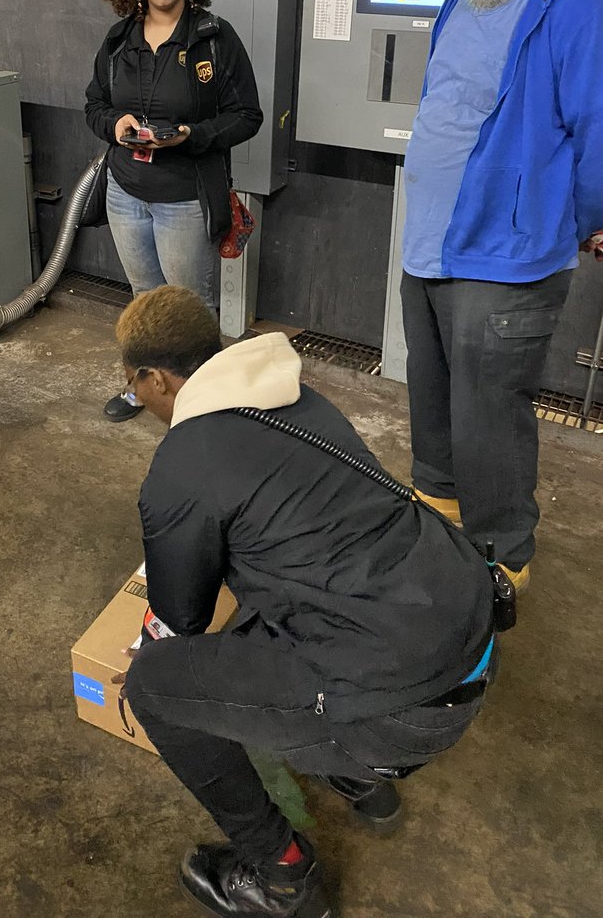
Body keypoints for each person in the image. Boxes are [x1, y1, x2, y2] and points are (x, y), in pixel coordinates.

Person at [116, 285, 495, 918]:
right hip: (468, 640)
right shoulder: (296, 399)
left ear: (155, 378)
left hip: (406, 710)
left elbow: (180, 617)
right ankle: (357, 780)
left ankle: (282, 873)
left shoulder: (181, 467)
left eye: (134, 389)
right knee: (271, 602)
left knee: (155, 686)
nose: (139, 400)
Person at [403, 0, 603, 592]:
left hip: (505, 256)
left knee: (490, 424)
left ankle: (499, 568)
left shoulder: (577, 1)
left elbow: (601, 128)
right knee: (434, 409)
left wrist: (589, 218)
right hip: (429, 245)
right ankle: (437, 536)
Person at [85, 0, 262, 422]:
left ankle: (202, 406)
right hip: (125, 192)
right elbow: (94, 104)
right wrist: (115, 125)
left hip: (185, 196)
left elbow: (247, 115)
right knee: (143, 302)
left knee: (190, 308)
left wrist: (192, 135)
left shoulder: (214, 39)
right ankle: (144, 390)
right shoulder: (118, 41)